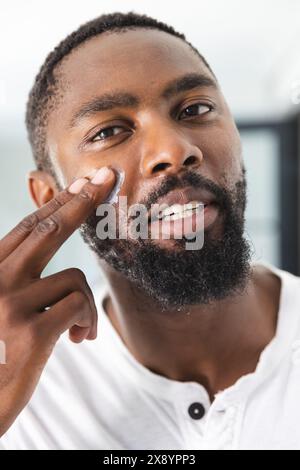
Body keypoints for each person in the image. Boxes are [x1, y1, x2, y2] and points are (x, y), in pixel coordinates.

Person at [0, 12, 299, 450]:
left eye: (195, 109)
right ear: (50, 197)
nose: (175, 151)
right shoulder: (25, 398)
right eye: (110, 131)